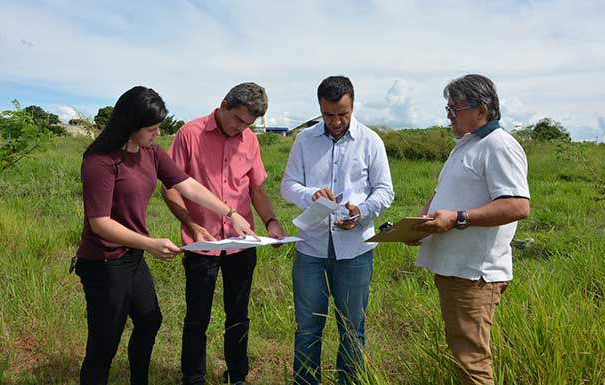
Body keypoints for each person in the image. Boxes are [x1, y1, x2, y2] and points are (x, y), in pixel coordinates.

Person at [75, 86, 255, 385]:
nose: (158, 134)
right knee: (105, 340)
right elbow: (100, 223)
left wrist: (230, 213)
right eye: (152, 128)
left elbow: (188, 186)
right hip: (103, 262)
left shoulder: (150, 153)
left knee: (149, 320)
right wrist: (150, 243)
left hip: (132, 257)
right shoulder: (100, 162)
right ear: (130, 125)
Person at [161, 82, 286, 385]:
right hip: (201, 243)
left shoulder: (249, 141)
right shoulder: (189, 134)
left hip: (241, 245)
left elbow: (256, 188)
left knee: (239, 314)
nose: (240, 128)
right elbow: (169, 189)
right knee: (197, 317)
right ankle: (193, 378)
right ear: (224, 104)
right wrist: (191, 225)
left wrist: (270, 221)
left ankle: (237, 376)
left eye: (248, 124)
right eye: (238, 120)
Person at [410, 74, 530, 385]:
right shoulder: (467, 144)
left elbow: (518, 205)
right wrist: (421, 225)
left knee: (472, 365)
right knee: (464, 355)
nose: (449, 116)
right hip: (456, 269)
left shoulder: (499, 146)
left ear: (482, 110)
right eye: (447, 108)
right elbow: (442, 193)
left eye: (456, 109)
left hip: (475, 274)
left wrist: (458, 218)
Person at [281, 75, 395, 385]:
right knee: (307, 327)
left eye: (342, 114)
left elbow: (385, 190)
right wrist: (311, 195)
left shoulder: (370, 141)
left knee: (352, 326)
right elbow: (288, 185)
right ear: (319, 108)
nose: (335, 121)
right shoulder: (304, 140)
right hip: (311, 250)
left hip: (355, 249)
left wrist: (362, 211)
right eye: (328, 114)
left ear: (352, 105)